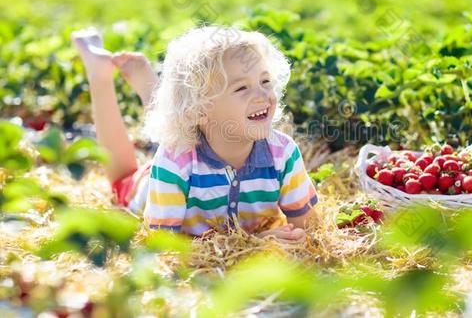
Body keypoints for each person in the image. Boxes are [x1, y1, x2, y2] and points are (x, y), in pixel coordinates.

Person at [71, 26, 318, 242]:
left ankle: (149, 86)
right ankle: (99, 74)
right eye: (242, 87)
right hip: (158, 186)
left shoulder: (282, 152)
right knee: (122, 177)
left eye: (265, 82)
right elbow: (164, 249)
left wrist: (286, 241)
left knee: (177, 120)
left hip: (195, 137)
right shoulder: (174, 162)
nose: (264, 96)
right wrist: (254, 245)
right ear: (200, 110)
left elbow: (308, 229)